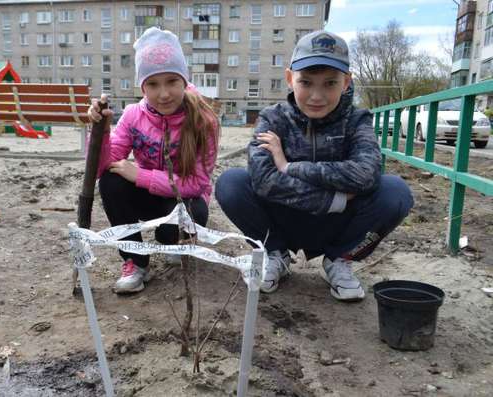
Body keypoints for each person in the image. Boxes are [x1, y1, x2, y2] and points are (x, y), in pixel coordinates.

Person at [215, 30, 413, 301]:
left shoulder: (357, 121)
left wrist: (289, 167)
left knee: (396, 193)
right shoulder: (272, 119)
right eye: (306, 82)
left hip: (335, 226)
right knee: (231, 183)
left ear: (346, 82)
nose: (316, 96)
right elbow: (263, 180)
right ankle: (275, 253)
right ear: (289, 79)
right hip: (284, 217)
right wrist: (337, 199)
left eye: (330, 83)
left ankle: (339, 259)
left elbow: (367, 174)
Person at [87, 27, 219, 294]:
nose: (164, 94)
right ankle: (135, 262)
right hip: (148, 198)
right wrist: (102, 132)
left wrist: (141, 175)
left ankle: (173, 239)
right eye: (153, 84)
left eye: (172, 81)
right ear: (142, 85)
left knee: (191, 217)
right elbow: (104, 167)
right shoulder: (134, 115)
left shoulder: (204, 120)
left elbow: (197, 183)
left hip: (184, 201)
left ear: (184, 79)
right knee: (111, 182)